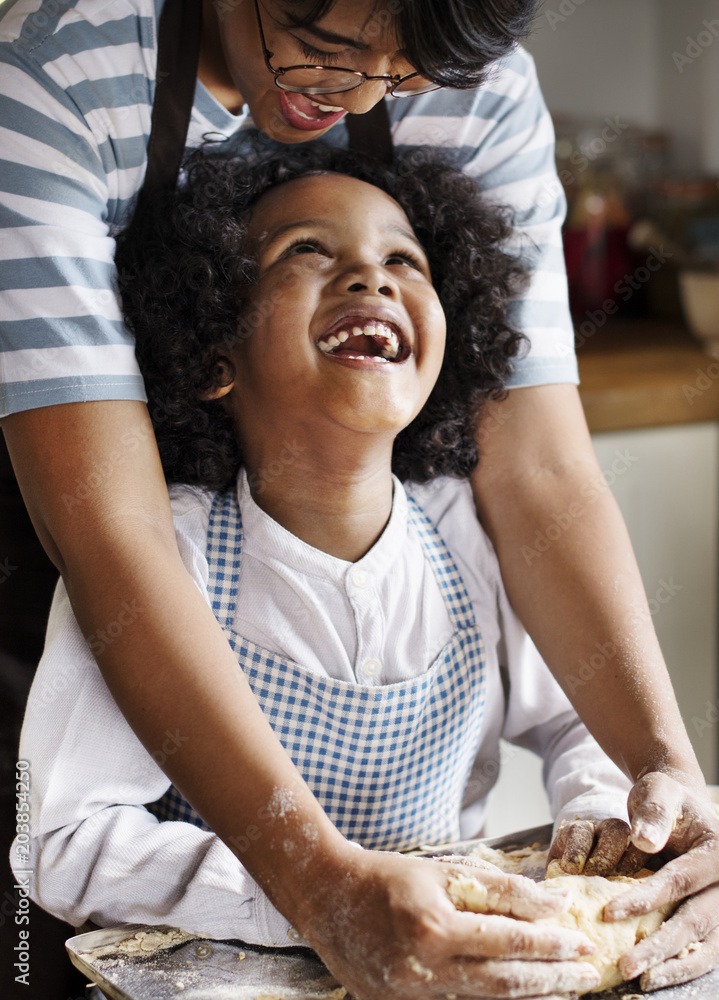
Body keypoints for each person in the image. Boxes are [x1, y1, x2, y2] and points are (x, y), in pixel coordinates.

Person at [2, 1, 719, 996]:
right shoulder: (51, 78)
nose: (363, 92)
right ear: (214, 350)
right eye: (333, 45)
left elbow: (538, 472)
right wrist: (311, 887)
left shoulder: (458, 545)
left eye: (406, 69)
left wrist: (658, 783)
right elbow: (110, 537)